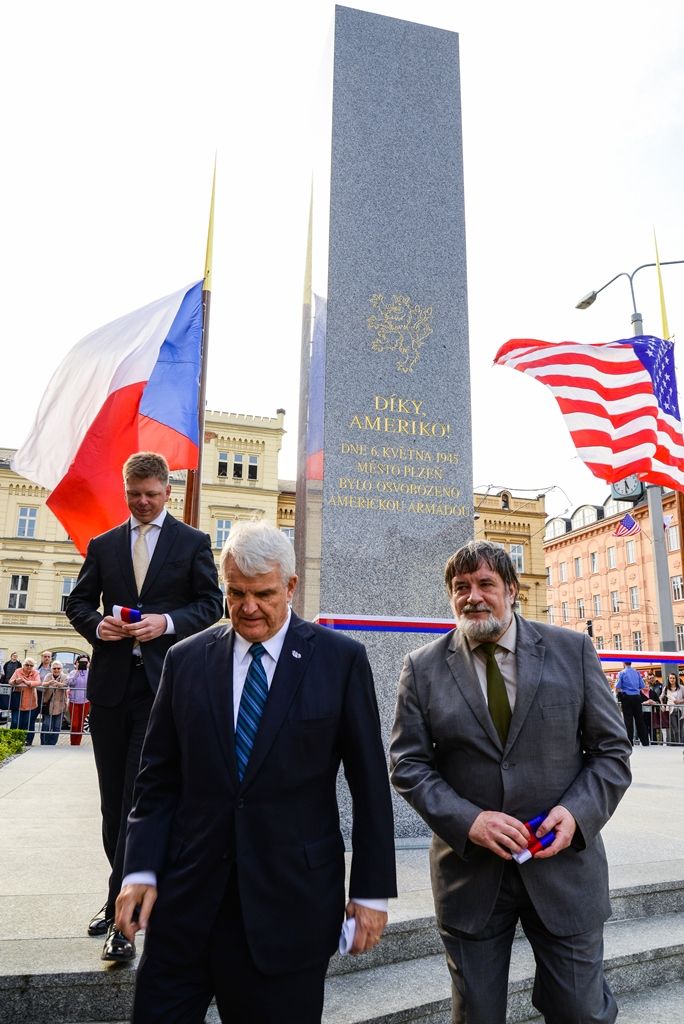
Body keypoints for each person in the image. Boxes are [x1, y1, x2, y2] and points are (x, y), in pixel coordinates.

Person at [115, 520, 397, 1024]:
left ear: (290, 586)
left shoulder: (339, 661)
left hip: (289, 908)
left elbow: (370, 784)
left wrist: (370, 891)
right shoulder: (185, 660)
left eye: (263, 594)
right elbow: (156, 781)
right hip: (186, 906)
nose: (248, 607)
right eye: (236, 593)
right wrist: (139, 870)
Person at [390, 540, 632, 1024]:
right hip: (471, 875)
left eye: (485, 584)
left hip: (563, 869)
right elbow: (407, 764)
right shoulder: (422, 668)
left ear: (513, 590)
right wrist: (470, 821)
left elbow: (611, 752)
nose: (472, 597)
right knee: (476, 1015)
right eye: (461, 587)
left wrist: (577, 814)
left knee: (581, 1011)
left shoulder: (572, 651)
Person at [66, 451, 224, 961]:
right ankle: (120, 894)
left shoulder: (192, 542)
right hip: (112, 690)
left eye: (152, 495)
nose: (142, 503)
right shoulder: (105, 544)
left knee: (139, 797)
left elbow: (211, 604)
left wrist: (167, 624)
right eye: (134, 494)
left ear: (168, 491)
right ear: (126, 490)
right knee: (113, 801)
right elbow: (77, 602)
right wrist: (97, 626)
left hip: (164, 689)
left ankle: (124, 920)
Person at [616, 661, 650, 746]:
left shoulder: (621, 673)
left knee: (628, 720)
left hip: (627, 697)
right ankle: (645, 741)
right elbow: (642, 686)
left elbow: (618, 686)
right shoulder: (637, 672)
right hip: (637, 697)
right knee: (640, 720)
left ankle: (629, 742)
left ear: (623, 663)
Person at [9, 658, 41, 742]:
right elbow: (10, 682)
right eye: (27, 665)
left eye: (31, 665)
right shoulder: (18, 671)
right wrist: (16, 681)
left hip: (30, 703)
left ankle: (25, 742)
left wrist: (27, 682)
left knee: (27, 724)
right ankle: (12, 741)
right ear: (24, 665)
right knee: (15, 722)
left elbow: (38, 682)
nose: (29, 667)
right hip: (17, 702)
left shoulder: (35, 673)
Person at [40, 661, 69, 744]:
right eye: (54, 668)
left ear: (61, 669)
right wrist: (49, 683)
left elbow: (66, 685)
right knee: (46, 725)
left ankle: (52, 744)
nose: (56, 670)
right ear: (51, 669)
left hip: (60, 705)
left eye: (58, 668)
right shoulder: (48, 676)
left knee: (57, 727)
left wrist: (58, 684)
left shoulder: (64, 676)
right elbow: (43, 685)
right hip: (48, 705)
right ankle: (44, 743)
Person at [67, 655, 90, 746]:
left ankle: (77, 744)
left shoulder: (90, 673)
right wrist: (77, 672)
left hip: (85, 702)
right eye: (81, 662)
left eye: (85, 662)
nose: (83, 664)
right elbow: (70, 683)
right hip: (74, 701)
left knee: (80, 725)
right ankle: (73, 743)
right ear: (76, 663)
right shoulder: (73, 672)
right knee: (74, 724)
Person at [661, 672, 684, 744]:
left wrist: (680, 701)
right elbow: (660, 697)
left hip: (680, 710)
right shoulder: (666, 688)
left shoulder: (681, 687)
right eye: (670, 678)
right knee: (676, 729)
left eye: (673, 678)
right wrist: (662, 706)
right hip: (671, 711)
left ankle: (681, 743)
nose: (672, 679)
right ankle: (678, 744)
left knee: (680, 729)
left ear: (676, 679)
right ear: (668, 679)